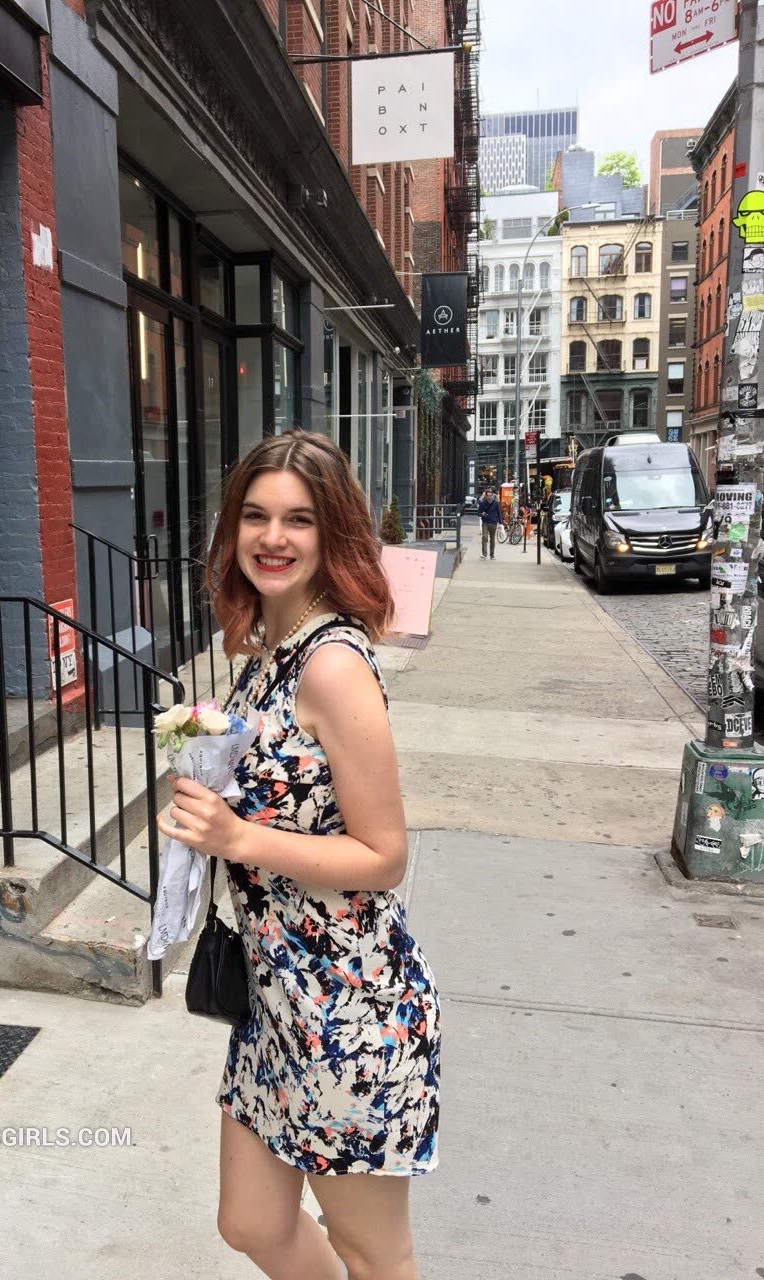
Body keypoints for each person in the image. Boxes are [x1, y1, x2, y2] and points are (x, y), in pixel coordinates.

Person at [156, 428, 441, 1280]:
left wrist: (239, 837)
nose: (272, 537)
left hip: (346, 1006)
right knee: (251, 1222)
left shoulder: (332, 665)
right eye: (255, 516)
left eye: (298, 519)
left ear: (332, 534)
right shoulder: (264, 654)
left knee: (373, 1255)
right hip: (272, 996)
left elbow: (384, 855)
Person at [478, 486, 503, 558]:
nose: (489, 497)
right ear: (485, 496)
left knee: (492, 540)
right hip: (485, 522)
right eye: (488, 495)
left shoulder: (495, 503)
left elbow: (499, 513)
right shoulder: (482, 503)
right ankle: (484, 554)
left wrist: (500, 523)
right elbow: (478, 513)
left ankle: (492, 555)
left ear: (492, 496)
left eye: (490, 495)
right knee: (484, 537)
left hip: (493, 523)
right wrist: (482, 514)